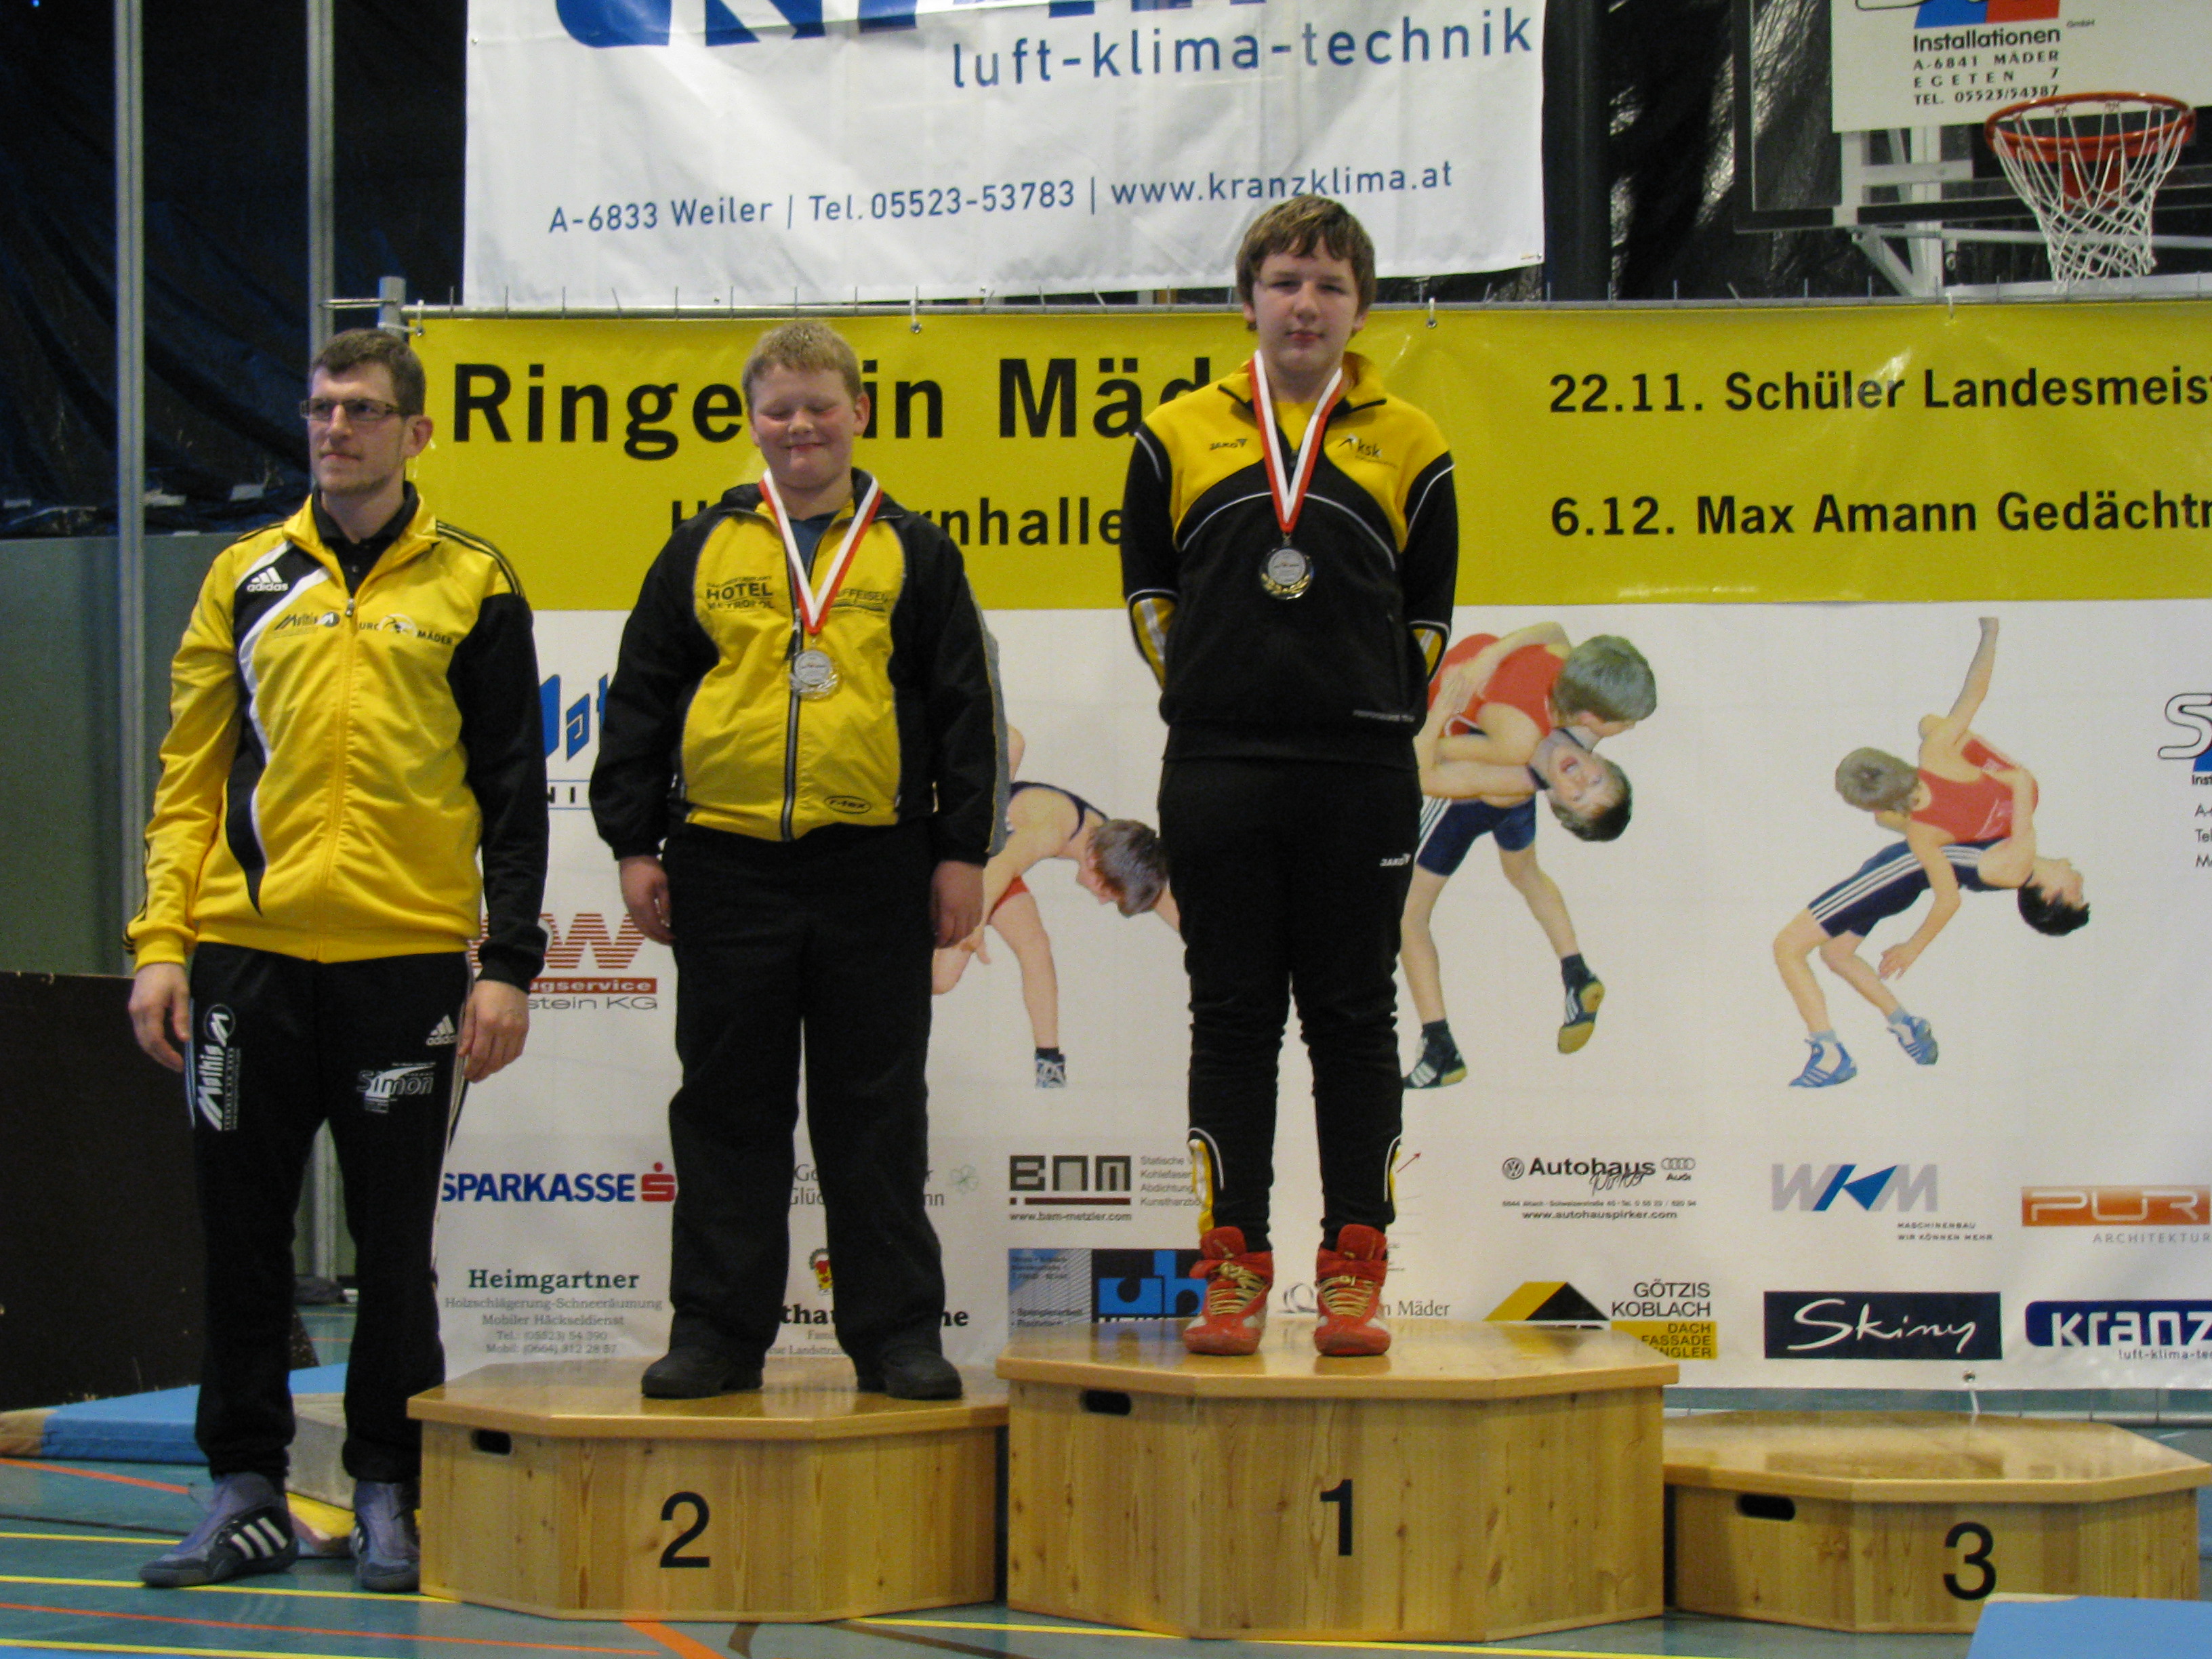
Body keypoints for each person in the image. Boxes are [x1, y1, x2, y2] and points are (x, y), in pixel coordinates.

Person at [125, 329, 548, 1593]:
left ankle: (386, 1486)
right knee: (241, 1237)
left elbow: (513, 792)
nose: (335, 428)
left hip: (403, 964)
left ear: (417, 433)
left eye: (361, 409)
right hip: (243, 960)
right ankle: (244, 1487)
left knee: (393, 1244)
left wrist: (508, 962)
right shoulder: (245, 574)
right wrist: (161, 944)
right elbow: (189, 774)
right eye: (320, 408)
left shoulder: (475, 581)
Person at [591, 320, 1000, 1404]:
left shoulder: (916, 550)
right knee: (727, 1109)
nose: (801, 426)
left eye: (820, 405)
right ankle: (717, 1336)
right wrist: (633, 842)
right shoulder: (701, 547)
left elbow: (965, 709)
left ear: (859, 412)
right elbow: (639, 697)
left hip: (876, 864)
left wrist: (961, 852)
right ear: (753, 420)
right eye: (779, 409)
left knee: (878, 1111)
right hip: (725, 863)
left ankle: (897, 1335)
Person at [1120, 197, 1456, 1358]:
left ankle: (1354, 1270)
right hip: (1217, 767)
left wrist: (1372, 708)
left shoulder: (1411, 438)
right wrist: (1213, 693)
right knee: (1231, 1020)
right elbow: (1147, 597)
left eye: (1328, 284)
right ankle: (1232, 1268)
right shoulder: (1173, 434)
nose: (1304, 303)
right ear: (1246, 300)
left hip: (1359, 772)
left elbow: (1429, 616)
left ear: (1360, 307)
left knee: (1355, 1021)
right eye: (1283, 282)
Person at [1784, 615, 2089, 1085]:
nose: (2081, 878)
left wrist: (1914, 946)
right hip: (1904, 876)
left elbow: (2013, 774)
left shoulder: (2013, 861)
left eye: (2077, 892)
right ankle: (1905, 1023)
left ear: (2050, 896)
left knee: (1788, 947)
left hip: (1899, 873)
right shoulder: (1996, 841)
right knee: (1837, 954)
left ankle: (1828, 1053)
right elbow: (1969, 787)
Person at [1398, 624, 1654, 1084]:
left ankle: (1439, 1044)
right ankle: (1576, 972)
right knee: (1524, 872)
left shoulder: (1526, 750)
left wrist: (1440, 712)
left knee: (1408, 915)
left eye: (1578, 795)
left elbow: (1424, 770)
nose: (1581, 781)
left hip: (1471, 791)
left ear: (1555, 801)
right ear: (1597, 749)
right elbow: (1554, 630)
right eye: (1594, 780)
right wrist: (1492, 656)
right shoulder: (1574, 690)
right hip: (1501, 775)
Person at [932, 727, 1175, 1086]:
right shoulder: (1054, 828)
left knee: (1035, 945)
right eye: (1108, 894)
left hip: (988, 857)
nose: (1103, 901)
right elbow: (1000, 868)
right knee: (942, 978)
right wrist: (975, 925)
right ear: (1096, 864)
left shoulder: (1114, 843)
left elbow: (1164, 900)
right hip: (967, 858)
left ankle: (1050, 1066)